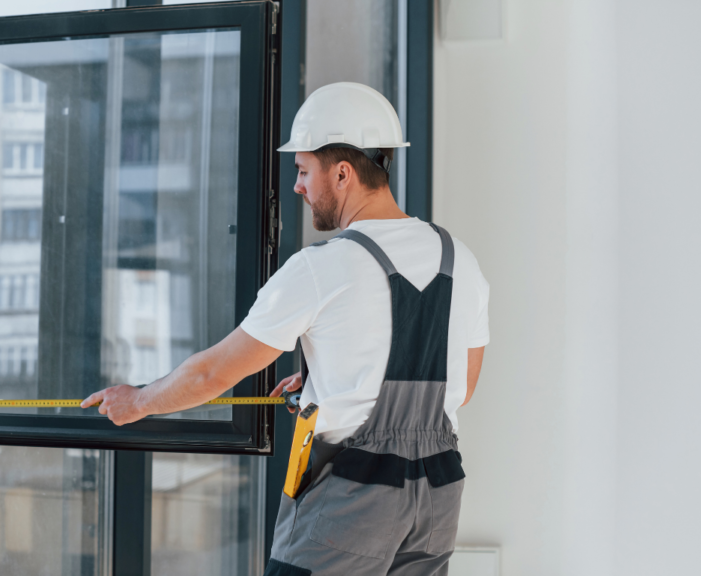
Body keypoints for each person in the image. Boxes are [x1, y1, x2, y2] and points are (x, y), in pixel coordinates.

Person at [82, 82, 489, 576]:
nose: (296, 185)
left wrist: (138, 402)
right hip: (439, 494)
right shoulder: (459, 258)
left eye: (302, 170)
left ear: (342, 173)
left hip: (358, 495)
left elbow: (212, 374)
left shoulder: (323, 267)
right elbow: (459, 387)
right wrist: (330, 382)